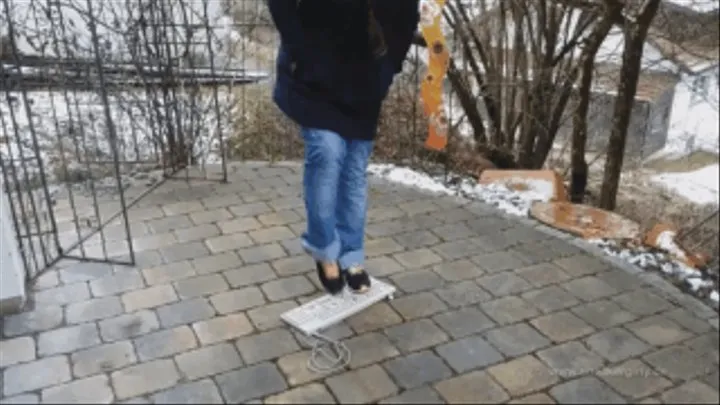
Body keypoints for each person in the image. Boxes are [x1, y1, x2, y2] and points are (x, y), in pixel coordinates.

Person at [267, 0, 420, 295]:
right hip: (315, 73)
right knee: (327, 153)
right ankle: (324, 249)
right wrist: (301, 51)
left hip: (365, 79)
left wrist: (390, 65)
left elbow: (405, 14)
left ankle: (351, 254)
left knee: (353, 169)